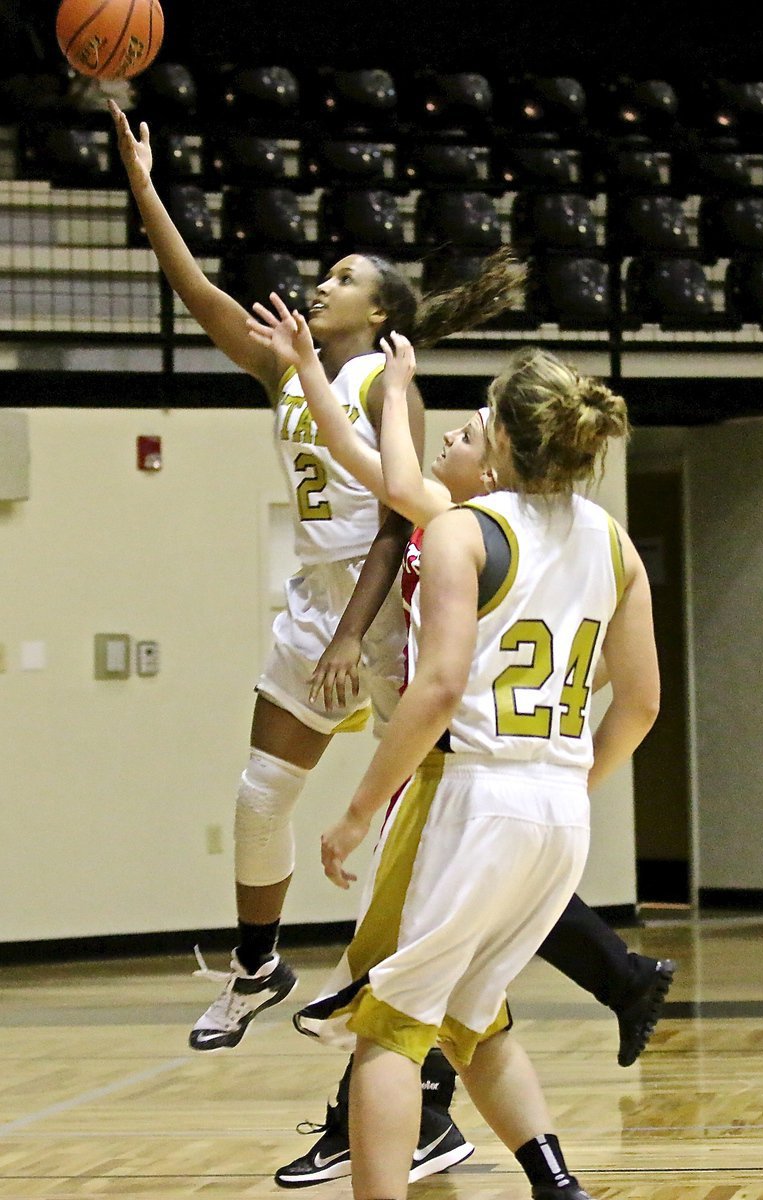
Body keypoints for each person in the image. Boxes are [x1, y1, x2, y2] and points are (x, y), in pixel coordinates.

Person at [107, 102, 528, 1067]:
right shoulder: (289, 370)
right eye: (326, 271)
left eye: (344, 278)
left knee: (426, 803)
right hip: (314, 598)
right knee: (261, 795)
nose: (321, 282)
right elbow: (198, 291)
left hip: (384, 608)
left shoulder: (387, 381)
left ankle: (426, 976)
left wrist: (351, 633)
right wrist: (143, 185)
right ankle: (258, 966)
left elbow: (397, 513)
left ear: (379, 314)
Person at [246, 304, 671, 1191]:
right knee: (472, 1014)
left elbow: (436, 690)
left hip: (473, 793)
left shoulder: (459, 531)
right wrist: (570, 782)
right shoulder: (614, 543)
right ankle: (558, 1184)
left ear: (503, 445)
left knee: (389, 1027)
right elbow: (637, 704)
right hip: (558, 808)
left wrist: (359, 810)